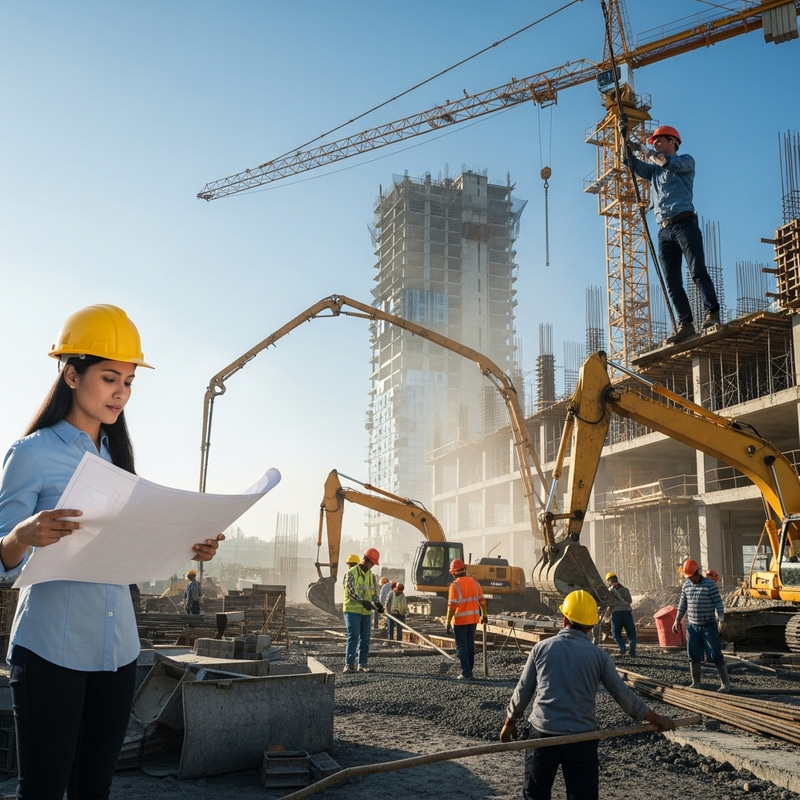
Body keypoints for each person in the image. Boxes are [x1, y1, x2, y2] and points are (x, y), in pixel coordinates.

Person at [0, 304, 225, 800]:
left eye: (128, 380)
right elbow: (1, 558)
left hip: (118, 651)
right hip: (50, 651)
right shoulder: (31, 454)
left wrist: (190, 544)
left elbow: (133, 552)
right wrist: (23, 536)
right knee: (42, 790)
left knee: (94, 790)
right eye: (109, 378)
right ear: (71, 374)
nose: (121, 391)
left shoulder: (119, 462)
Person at [500, 590, 675, 800]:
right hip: (582, 738)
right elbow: (624, 697)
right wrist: (656, 719)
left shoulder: (541, 649)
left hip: (543, 734)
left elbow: (523, 691)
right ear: (591, 626)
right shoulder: (599, 657)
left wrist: (510, 721)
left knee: (535, 795)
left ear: (564, 618)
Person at [624, 123, 720, 344]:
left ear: (672, 142)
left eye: (659, 140)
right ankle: (685, 324)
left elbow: (667, 162)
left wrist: (646, 151)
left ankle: (712, 313)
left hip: (684, 223)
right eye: (653, 142)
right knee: (672, 282)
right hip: (664, 231)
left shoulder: (686, 161)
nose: (655, 143)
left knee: (697, 271)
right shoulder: (654, 172)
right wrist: (625, 143)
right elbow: (629, 164)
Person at [672, 558, 730, 692]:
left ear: (697, 573)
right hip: (693, 627)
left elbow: (718, 603)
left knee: (715, 654)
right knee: (693, 655)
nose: (690, 579)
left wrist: (721, 619)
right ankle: (696, 682)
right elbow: (683, 604)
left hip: (709, 626)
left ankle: (725, 684)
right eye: (688, 577)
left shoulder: (710, 585)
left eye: (691, 576)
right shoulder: (686, 585)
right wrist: (677, 619)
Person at [445, 558, 487, 680]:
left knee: (461, 646)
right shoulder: (474, 582)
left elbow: (451, 606)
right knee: (470, 645)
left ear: (453, 572)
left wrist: (447, 622)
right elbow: (482, 601)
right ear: (465, 569)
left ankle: (466, 673)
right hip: (473, 619)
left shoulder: (454, 585)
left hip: (460, 621)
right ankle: (469, 671)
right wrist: (484, 615)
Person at [342, 547, 382, 673]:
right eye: (372, 564)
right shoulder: (351, 573)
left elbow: (374, 591)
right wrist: (362, 602)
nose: (372, 567)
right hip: (352, 610)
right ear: (366, 560)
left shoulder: (371, 575)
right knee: (353, 637)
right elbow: (351, 591)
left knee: (365, 638)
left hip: (365, 612)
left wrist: (377, 603)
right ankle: (349, 664)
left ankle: (362, 664)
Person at [605, 571, 637, 657]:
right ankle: (632, 651)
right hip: (627, 613)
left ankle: (622, 649)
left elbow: (607, 603)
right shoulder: (625, 589)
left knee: (616, 633)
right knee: (631, 633)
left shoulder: (609, 591)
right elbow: (629, 601)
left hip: (616, 614)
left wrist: (606, 613)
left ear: (609, 581)